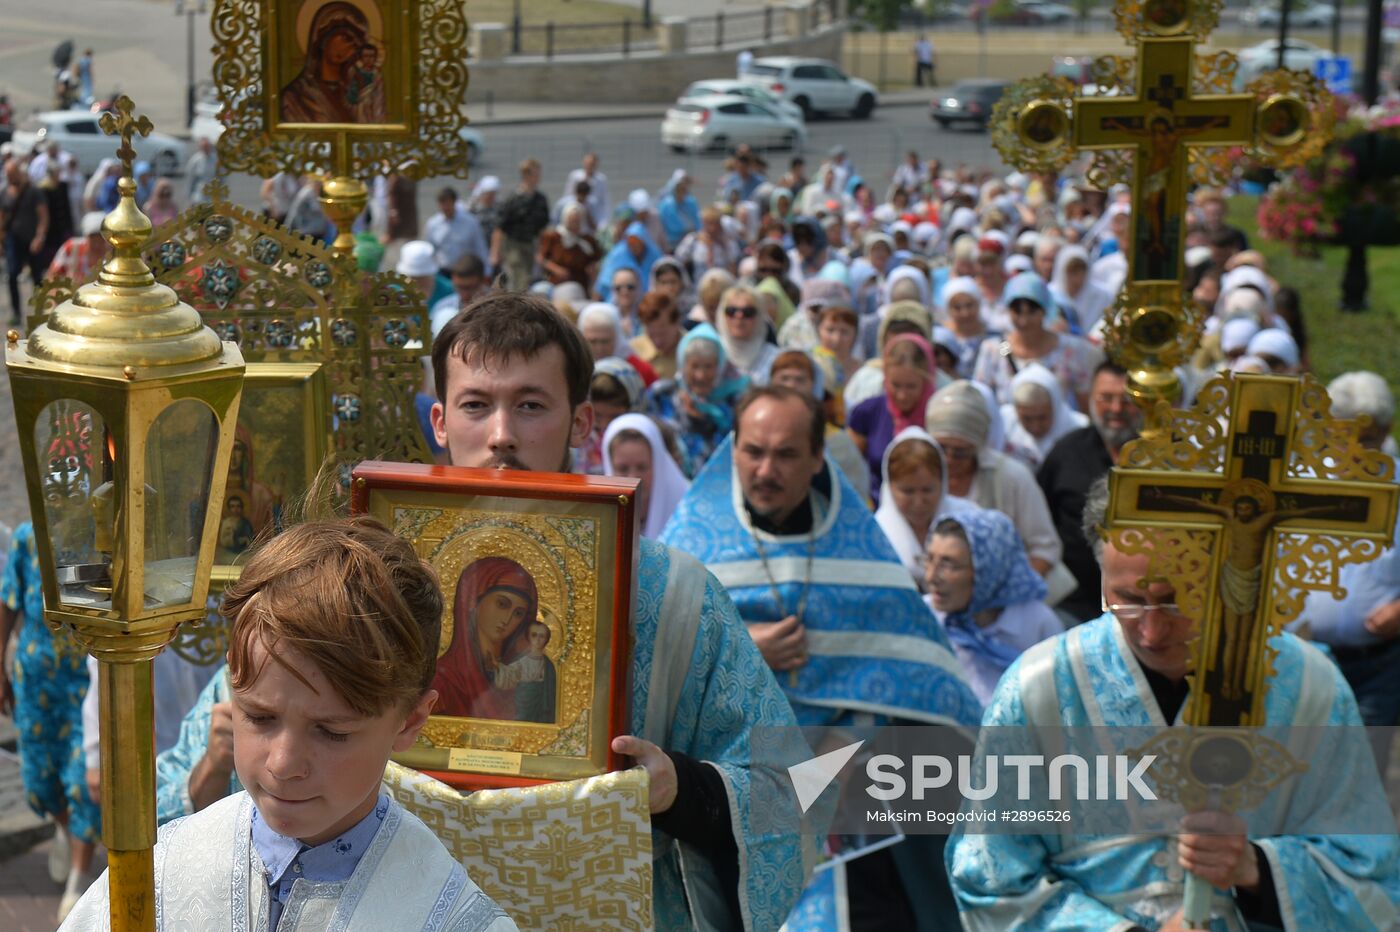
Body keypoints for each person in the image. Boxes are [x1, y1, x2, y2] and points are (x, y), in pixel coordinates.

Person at [425, 295, 809, 927]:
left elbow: (789, 789)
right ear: (440, 420)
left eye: (530, 405)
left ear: (580, 424)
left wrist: (679, 789)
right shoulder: (381, 585)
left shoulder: (677, 595)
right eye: (475, 404)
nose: (501, 435)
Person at [945, 475, 1400, 930]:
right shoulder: (1038, 689)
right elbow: (990, 875)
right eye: (1127, 601)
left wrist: (1256, 869)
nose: (1151, 632)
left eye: (1177, 602)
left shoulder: (1308, 690)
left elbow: (1370, 874)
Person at [67, 518, 515, 930]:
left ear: (410, 720)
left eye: (332, 731)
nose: (282, 765)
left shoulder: (449, 918)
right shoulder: (165, 871)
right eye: (259, 717)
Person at [662, 386, 983, 928]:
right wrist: (745, 647)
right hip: (729, 807)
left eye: (786, 454)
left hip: (854, 814)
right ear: (731, 450)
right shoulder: (690, 550)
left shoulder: (863, 555)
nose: (766, 469)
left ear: (817, 459)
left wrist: (866, 742)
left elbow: (929, 687)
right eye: (753, 451)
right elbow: (654, 674)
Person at [1, 523, 99, 922]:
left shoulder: (103, 535)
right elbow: (8, 601)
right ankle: (65, 827)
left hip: (88, 679)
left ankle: (78, 878)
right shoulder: (27, 537)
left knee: (82, 780)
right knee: (40, 783)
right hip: (36, 679)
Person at [1037, 361, 1142, 624]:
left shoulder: (1170, 456)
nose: (1116, 409)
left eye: (1127, 400)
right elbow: (1041, 525)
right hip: (1075, 606)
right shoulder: (1066, 453)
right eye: (1106, 398)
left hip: (1146, 608)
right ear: (1091, 398)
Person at [925, 380, 1062, 575]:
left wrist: (1007, 592)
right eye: (941, 448)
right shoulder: (919, 473)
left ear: (978, 446)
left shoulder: (1011, 477)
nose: (949, 459)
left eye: (960, 452)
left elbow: (1045, 548)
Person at [925, 511, 1062, 703]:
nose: (931, 577)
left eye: (950, 565)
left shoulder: (1038, 623)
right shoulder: (924, 616)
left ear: (988, 571)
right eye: (929, 559)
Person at [430, 556, 554, 723]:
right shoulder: (442, 680)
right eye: (502, 604)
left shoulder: (531, 671)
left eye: (518, 613)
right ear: (473, 601)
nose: (508, 619)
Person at [974, 272, 1104, 412]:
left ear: (1045, 310)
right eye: (1017, 311)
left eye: (1032, 311)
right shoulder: (999, 348)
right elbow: (981, 397)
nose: (1024, 321)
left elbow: (1084, 401)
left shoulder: (1068, 349)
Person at [875, 426, 973, 589]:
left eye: (928, 490)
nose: (919, 502)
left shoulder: (969, 519)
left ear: (943, 482)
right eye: (908, 492)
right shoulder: (875, 534)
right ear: (890, 487)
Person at [645, 323, 748, 477]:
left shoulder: (735, 401)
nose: (701, 375)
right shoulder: (662, 395)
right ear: (682, 365)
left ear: (720, 366)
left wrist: (703, 423)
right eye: (694, 366)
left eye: (708, 366)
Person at [847, 333, 938, 503]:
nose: (902, 396)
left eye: (911, 387)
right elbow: (850, 470)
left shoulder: (939, 416)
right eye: (895, 385)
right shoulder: (867, 413)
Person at [278, 1, 385, 124]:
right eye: (346, 38)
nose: (349, 48)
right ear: (323, 36)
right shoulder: (294, 96)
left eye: (355, 45)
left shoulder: (357, 91)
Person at [602, 412, 691, 539]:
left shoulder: (688, 510)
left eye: (642, 467)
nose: (633, 478)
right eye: (622, 469)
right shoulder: (597, 516)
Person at [1000, 362, 1090, 470]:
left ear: (1055, 407)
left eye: (1042, 417)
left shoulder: (1079, 429)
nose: (1035, 426)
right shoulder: (1004, 424)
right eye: (1026, 418)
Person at [2, 158, 49, 324]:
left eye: (12, 174)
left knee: (37, 276)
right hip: (13, 240)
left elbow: (43, 216)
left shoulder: (33, 192)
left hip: (32, 239)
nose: (10, 178)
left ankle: (40, 311)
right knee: (12, 274)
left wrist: (39, 236)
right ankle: (16, 312)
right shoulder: (5, 192)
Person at [491, 159, 549, 291]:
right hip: (513, 244)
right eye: (535, 174)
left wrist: (542, 250)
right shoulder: (513, 199)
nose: (538, 177)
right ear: (526, 175)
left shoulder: (540, 199)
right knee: (518, 277)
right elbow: (500, 227)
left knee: (526, 278)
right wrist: (495, 253)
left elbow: (542, 228)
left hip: (530, 244)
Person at [716, 283, 779, 385]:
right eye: (731, 311)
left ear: (759, 317)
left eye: (748, 312)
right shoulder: (713, 351)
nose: (739, 316)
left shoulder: (776, 359)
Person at [1049, 243, 1114, 336]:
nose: (1078, 278)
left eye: (1082, 271)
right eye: (1072, 272)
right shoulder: (1049, 294)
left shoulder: (1103, 295)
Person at [425, 186, 489, 276]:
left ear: (454, 202)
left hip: (467, 271)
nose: (445, 207)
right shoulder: (433, 224)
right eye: (442, 203)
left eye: (447, 202)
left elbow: (480, 247)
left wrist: (486, 271)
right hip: (442, 272)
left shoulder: (470, 222)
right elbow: (430, 250)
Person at [536, 202, 599, 290]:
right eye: (572, 219)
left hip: (580, 284)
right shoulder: (553, 237)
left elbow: (594, 262)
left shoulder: (588, 240)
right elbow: (541, 258)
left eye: (577, 220)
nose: (574, 222)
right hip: (556, 283)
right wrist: (556, 269)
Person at [630, 291, 683, 381]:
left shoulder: (694, 349)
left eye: (663, 334)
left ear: (677, 323)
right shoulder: (633, 351)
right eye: (651, 335)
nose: (658, 341)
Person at [45, 210, 108, 283]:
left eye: (101, 238)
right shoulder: (72, 248)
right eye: (93, 237)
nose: (97, 243)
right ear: (86, 236)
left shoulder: (114, 252)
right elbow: (51, 277)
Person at [564, 152, 609, 231]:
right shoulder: (575, 176)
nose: (590, 166)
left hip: (593, 215)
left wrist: (603, 223)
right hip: (576, 212)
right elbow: (568, 195)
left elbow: (604, 201)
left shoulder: (601, 179)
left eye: (592, 164)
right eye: (588, 163)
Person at [186, 137, 218, 205]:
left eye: (207, 147)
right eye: (204, 147)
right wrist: (189, 196)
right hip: (199, 196)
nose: (206, 149)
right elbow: (190, 180)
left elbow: (222, 178)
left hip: (213, 195)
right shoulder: (195, 160)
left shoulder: (216, 160)